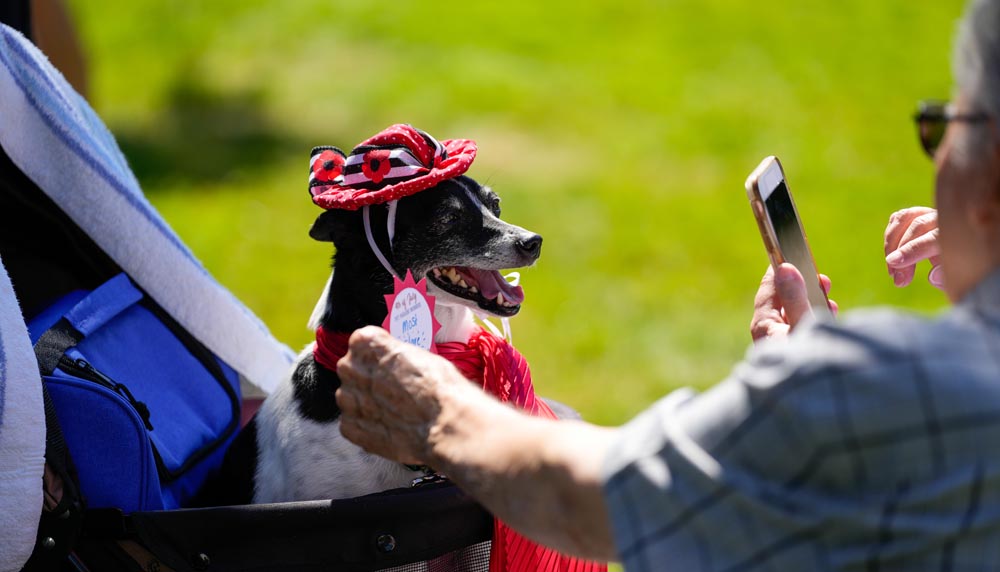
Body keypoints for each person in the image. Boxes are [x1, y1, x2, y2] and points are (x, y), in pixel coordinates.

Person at [335, 0, 1000, 568]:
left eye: (946, 125)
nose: (938, 154)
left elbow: (614, 498)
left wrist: (438, 412)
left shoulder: (897, 388)